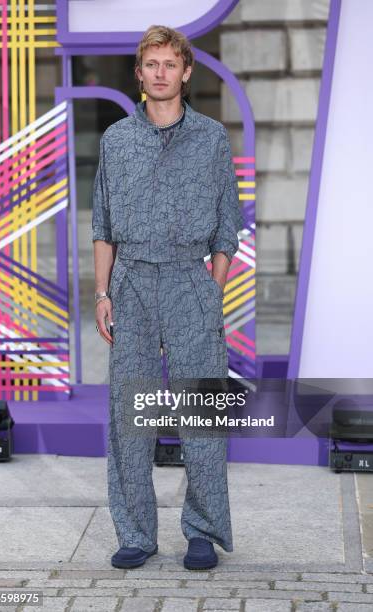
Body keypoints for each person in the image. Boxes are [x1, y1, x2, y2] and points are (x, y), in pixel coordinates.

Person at [92, 24, 245, 570]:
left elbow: (229, 223)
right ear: (139, 74)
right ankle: (136, 532)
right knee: (129, 416)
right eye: (151, 64)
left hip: (189, 283)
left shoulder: (211, 138)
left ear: (185, 72)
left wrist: (212, 286)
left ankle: (202, 530)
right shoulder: (116, 140)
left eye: (169, 64)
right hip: (130, 285)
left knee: (201, 412)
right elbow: (103, 224)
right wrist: (102, 293)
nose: (160, 73)